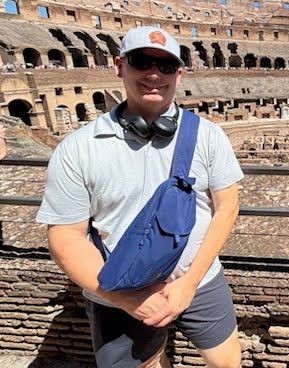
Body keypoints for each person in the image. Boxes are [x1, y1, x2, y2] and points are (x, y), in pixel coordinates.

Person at [36, 26, 244, 368]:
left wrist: (188, 285)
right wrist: (125, 298)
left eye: (165, 66)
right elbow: (65, 237)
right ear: (120, 66)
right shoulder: (77, 148)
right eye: (141, 61)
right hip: (117, 290)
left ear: (179, 74)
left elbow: (227, 208)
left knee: (226, 363)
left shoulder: (208, 136)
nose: (153, 73)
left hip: (199, 280)